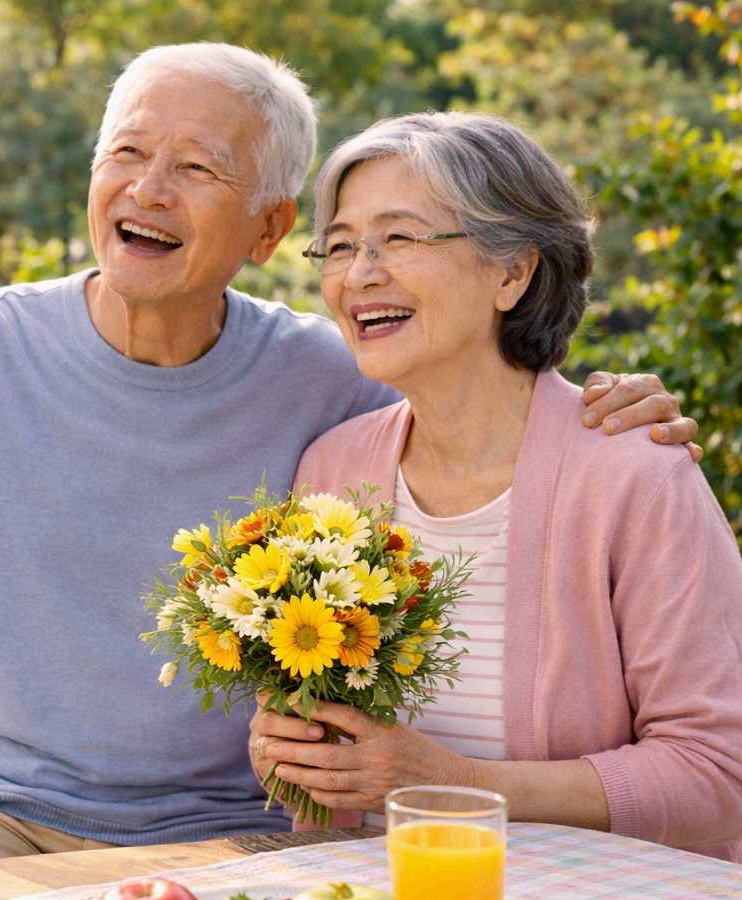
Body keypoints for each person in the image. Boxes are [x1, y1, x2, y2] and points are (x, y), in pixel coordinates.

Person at [0, 44, 699, 872]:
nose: (148, 188)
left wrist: (611, 403)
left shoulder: (327, 380)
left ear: (268, 229)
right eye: (126, 153)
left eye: (198, 168)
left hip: (237, 828)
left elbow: (476, 374)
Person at [248, 111, 742, 861]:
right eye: (341, 245)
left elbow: (719, 773)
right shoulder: (332, 470)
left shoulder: (636, 474)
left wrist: (454, 783)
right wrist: (291, 749)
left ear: (513, 271)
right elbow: (320, 742)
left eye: (400, 238)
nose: (358, 274)